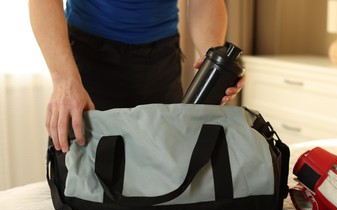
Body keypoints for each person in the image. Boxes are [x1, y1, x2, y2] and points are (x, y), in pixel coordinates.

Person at [29, 0, 245, 153]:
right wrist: (64, 80)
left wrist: (215, 61)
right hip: (89, 54)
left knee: (167, 163)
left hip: (160, 59)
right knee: (84, 169)